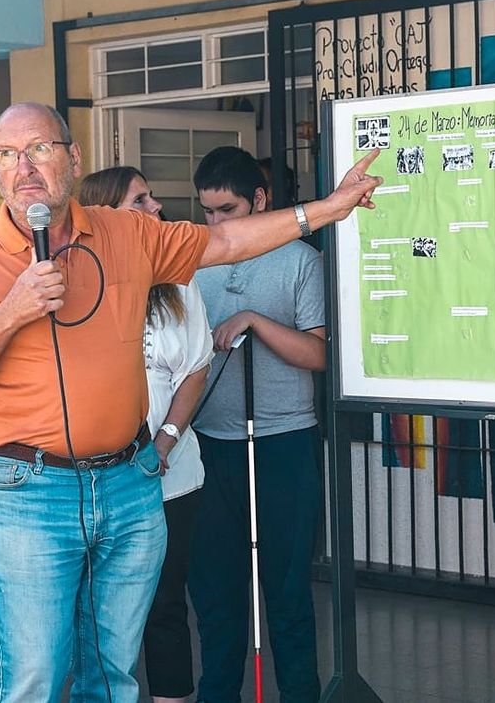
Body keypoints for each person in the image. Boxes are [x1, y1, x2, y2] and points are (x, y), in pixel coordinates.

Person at [0, 102, 380, 703]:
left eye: (38, 149)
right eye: (7, 154)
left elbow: (225, 240)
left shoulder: (126, 233)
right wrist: (11, 311)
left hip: (126, 483)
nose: (23, 167)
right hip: (30, 491)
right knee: (35, 677)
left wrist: (327, 209)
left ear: (73, 158)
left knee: (113, 674)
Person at [190, 146, 326, 703]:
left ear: (261, 200)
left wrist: (255, 321)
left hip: (282, 442)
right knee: (216, 596)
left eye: (227, 210)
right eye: (207, 212)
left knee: (288, 593)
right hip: (208, 443)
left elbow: (319, 354)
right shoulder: (194, 262)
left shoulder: (301, 261)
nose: (216, 222)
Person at [79, 166, 213, 703]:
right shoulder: (81, 280)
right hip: (96, 478)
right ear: (108, 215)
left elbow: (197, 367)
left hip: (169, 474)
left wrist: (165, 442)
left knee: (163, 605)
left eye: (153, 196)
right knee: (97, 610)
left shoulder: (180, 279)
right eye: (141, 200)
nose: (156, 207)